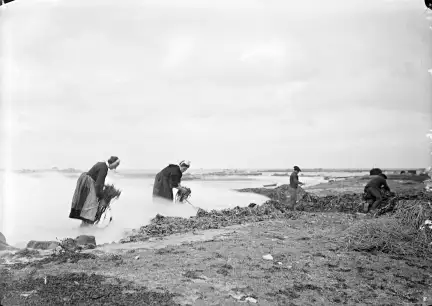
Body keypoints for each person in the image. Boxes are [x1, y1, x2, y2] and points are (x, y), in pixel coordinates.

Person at [69, 156, 120, 226]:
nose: (115, 168)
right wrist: (101, 195)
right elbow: (99, 184)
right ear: (112, 162)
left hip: (85, 183)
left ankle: (83, 227)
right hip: (88, 185)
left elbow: (97, 180)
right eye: (116, 165)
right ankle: (85, 228)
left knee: (86, 207)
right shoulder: (104, 168)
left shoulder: (101, 164)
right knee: (91, 206)